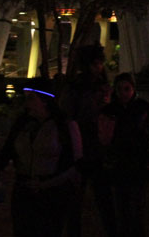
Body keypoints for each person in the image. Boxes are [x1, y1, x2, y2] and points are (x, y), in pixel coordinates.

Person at [0, 83, 83, 237]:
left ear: (44, 100)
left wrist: (47, 184)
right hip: (24, 190)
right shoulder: (22, 124)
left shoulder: (64, 125)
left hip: (52, 192)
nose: (26, 103)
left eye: (31, 98)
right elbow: (6, 151)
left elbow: (76, 163)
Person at [97, 72, 149, 237]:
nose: (123, 93)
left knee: (136, 208)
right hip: (118, 163)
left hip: (137, 164)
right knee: (121, 207)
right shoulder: (109, 111)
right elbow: (102, 137)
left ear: (133, 89)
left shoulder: (144, 109)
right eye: (119, 89)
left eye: (126, 89)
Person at [59, 44, 110, 237]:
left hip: (98, 148)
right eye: (96, 64)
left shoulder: (101, 86)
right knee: (77, 201)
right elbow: (69, 118)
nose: (99, 67)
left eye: (100, 63)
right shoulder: (77, 88)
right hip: (82, 147)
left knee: (103, 198)